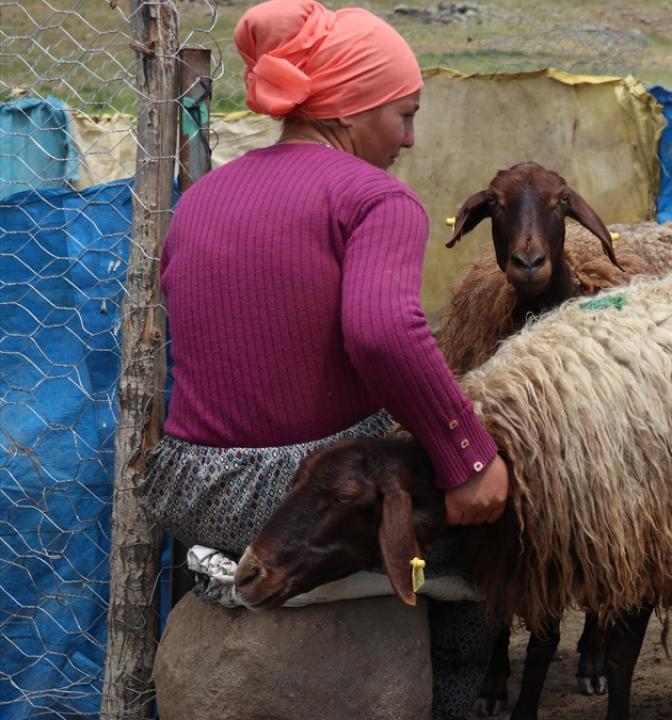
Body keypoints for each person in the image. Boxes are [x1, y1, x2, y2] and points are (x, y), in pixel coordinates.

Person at [140, 1, 504, 717]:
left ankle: (216, 599)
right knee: (491, 548)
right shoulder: (375, 198)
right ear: (352, 107)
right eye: (404, 115)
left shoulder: (203, 196)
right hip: (295, 489)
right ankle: (454, 699)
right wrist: (468, 457)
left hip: (185, 486)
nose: (408, 139)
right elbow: (383, 332)